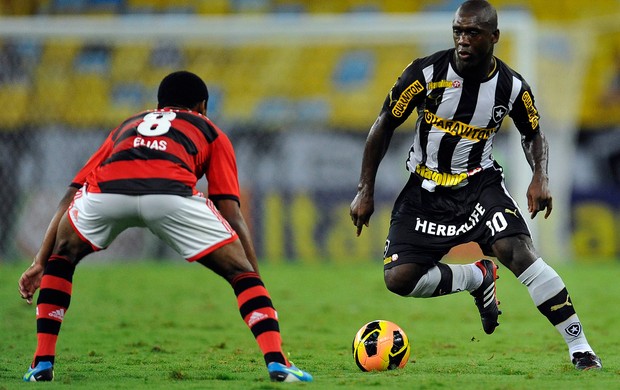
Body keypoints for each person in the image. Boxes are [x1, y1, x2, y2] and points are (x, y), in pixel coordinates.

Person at [349, 0, 602, 371]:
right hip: (424, 189)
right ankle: (476, 277)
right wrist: (365, 189)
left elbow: (533, 134)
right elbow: (383, 124)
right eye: (458, 31)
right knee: (399, 279)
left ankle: (579, 346)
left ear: (494, 37)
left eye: (472, 33)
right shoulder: (426, 72)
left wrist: (539, 176)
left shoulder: (512, 87)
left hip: (478, 186)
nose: (463, 40)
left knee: (518, 252)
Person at [18, 71, 313, 382]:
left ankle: (41, 364)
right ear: (202, 106)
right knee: (240, 273)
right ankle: (278, 363)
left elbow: (67, 199)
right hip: (169, 195)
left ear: (159, 104)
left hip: (108, 195)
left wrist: (40, 262)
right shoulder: (210, 131)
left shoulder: (127, 126)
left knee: (61, 259)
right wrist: (253, 277)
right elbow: (230, 211)